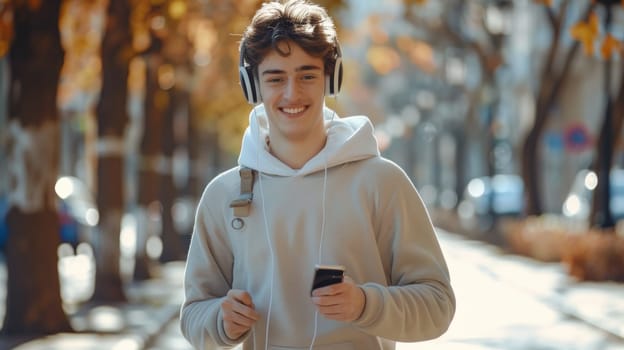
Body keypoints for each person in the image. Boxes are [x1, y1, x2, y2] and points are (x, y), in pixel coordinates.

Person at [180, 0, 455, 349]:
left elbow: (438, 306)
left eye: (307, 75)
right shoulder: (224, 194)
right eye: (276, 78)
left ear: (331, 77)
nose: (292, 93)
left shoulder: (382, 183)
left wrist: (365, 305)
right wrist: (220, 321)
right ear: (253, 86)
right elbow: (193, 316)